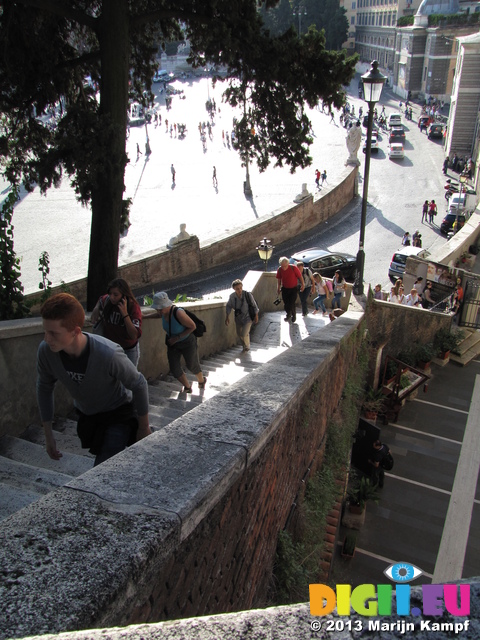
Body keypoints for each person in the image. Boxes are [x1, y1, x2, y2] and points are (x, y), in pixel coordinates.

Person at [37, 293, 151, 466]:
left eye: (53, 333)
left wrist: (144, 428)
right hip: (87, 415)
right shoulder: (46, 352)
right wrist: (48, 436)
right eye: (45, 331)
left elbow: (139, 383)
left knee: (102, 470)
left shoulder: (108, 354)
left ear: (76, 331)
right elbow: (44, 387)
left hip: (118, 415)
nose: (47, 339)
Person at [152, 291, 206, 393]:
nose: (159, 311)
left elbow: (192, 326)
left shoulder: (178, 313)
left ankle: (201, 380)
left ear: (167, 305)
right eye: (157, 309)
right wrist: (143, 317)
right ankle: (187, 387)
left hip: (187, 342)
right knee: (174, 368)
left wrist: (177, 338)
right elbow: (158, 315)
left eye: (160, 309)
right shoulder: (162, 313)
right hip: (173, 344)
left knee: (192, 365)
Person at [91, 278, 142, 366]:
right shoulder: (107, 301)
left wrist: (125, 314)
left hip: (128, 349)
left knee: (128, 377)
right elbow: (101, 299)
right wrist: (97, 307)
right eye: (110, 294)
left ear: (123, 295)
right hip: (111, 347)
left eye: (116, 295)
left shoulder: (133, 307)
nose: (112, 297)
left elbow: (134, 335)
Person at [225, 279, 259, 352]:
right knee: (239, 333)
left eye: (240, 288)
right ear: (234, 289)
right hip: (238, 318)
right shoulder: (232, 297)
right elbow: (228, 306)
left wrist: (256, 316)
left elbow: (254, 305)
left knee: (244, 333)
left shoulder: (247, 295)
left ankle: (247, 346)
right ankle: (244, 346)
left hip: (248, 317)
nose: (239, 290)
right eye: (237, 289)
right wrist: (227, 316)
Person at [276, 257, 304, 323]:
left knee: (291, 303)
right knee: (286, 304)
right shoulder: (280, 269)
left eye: (285, 266)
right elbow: (279, 279)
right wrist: (278, 288)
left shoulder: (293, 268)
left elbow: (300, 276)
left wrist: (303, 284)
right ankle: (288, 314)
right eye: (282, 266)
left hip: (293, 289)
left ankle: (293, 315)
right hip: (285, 289)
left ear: (288, 263)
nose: (284, 267)